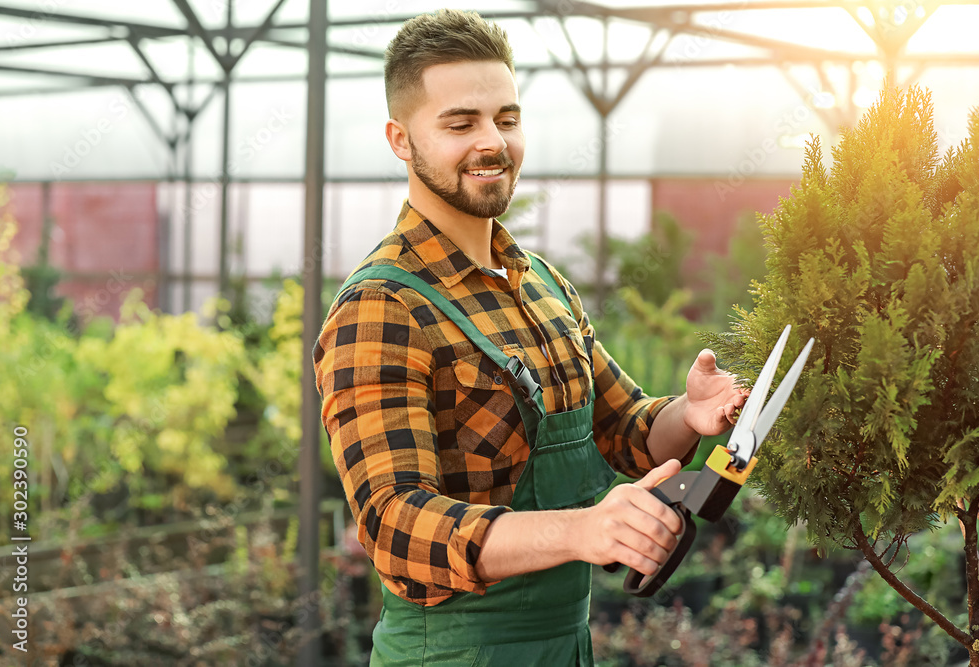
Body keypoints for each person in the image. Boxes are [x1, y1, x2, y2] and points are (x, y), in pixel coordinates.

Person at [312, 9, 747, 666]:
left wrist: (691, 412)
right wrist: (583, 529)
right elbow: (394, 524)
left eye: (507, 119)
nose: (492, 141)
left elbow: (627, 430)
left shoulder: (542, 284)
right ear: (400, 139)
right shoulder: (382, 306)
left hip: (567, 646)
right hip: (451, 654)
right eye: (460, 123)